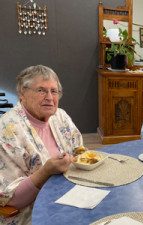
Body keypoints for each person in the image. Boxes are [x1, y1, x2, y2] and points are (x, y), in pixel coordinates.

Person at [0, 65, 83, 225]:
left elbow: (80, 153)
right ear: (22, 93)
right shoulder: (6, 131)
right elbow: (9, 200)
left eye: (54, 91)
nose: (50, 98)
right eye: (41, 90)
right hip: (32, 213)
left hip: (70, 199)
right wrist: (45, 172)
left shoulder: (61, 116)